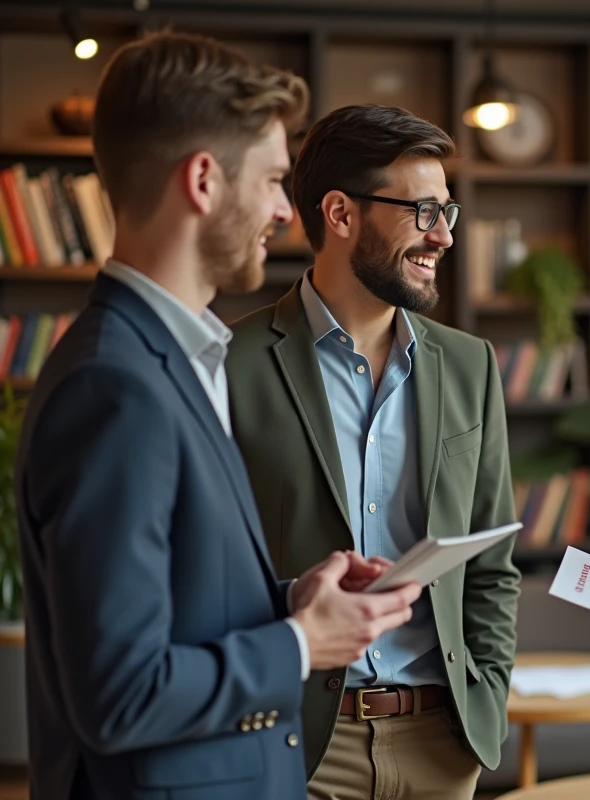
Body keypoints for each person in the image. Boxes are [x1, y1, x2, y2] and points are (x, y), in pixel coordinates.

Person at [16, 33, 424, 800]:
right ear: (203, 180)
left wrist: (291, 600)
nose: (284, 210)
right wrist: (302, 643)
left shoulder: (179, 358)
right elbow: (120, 693)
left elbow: (172, 607)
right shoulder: (114, 386)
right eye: (272, 180)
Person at [225, 103, 520, 800]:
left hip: (442, 744)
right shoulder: (231, 364)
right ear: (340, 213)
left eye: (447, 211)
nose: (444, 235)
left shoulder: (470, 366)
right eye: (423, 211)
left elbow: (491, 565)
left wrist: (487, 691)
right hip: (295, 741)